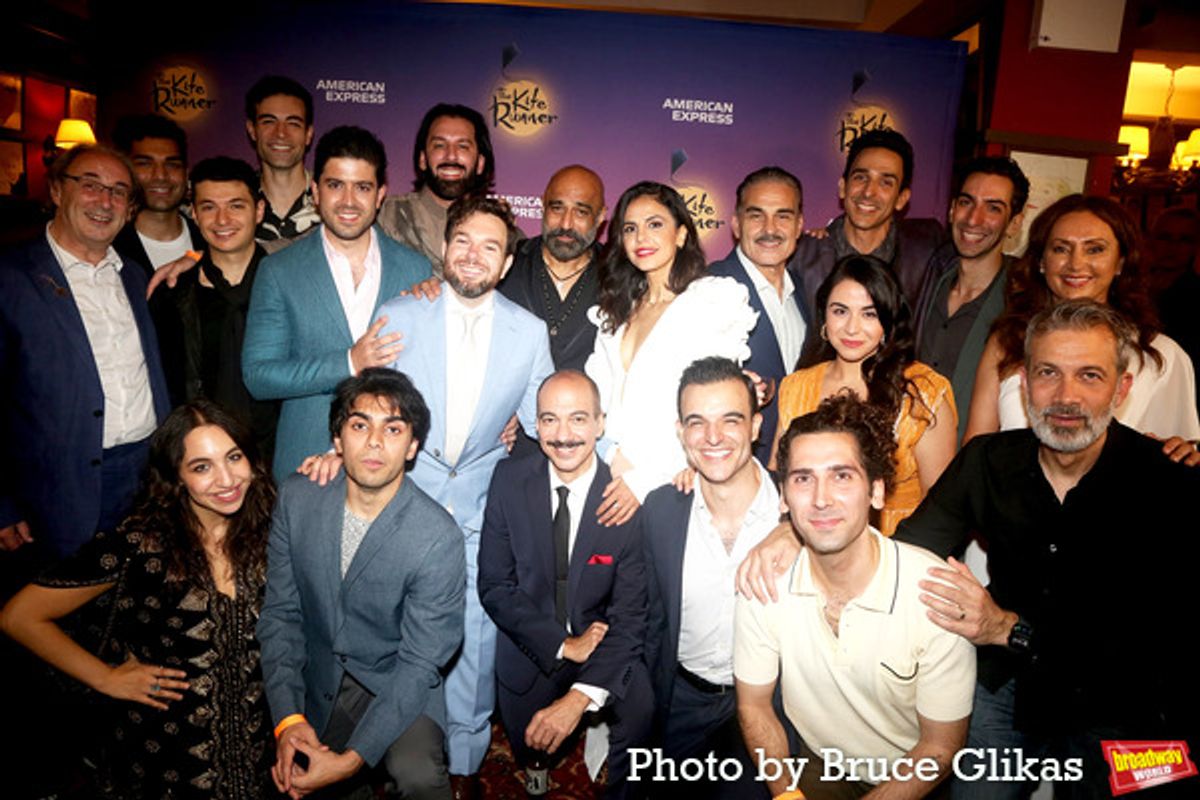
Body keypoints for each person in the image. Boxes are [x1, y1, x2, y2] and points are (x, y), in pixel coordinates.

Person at [739, 301, 1200, 798]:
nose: (1066, 396)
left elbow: (1159, 645)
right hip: (1007, 691)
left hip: (1123, 708)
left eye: (1089, 375)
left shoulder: (1167, 482)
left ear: (1121, 387)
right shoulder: (988, 462)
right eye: (1048, 373)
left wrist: (1009, 628)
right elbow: (900, 551)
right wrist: (806, 526)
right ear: (1025, 385)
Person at [0, 400, 277, 799]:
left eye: (234, 458)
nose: (226, 478)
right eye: (202, 467)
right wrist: (105, 677)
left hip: (256, 760)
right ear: (176, 477)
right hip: (164, 761)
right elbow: (19, 616)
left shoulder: (271, 532)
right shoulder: (140, 545)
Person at [374, 195, 553, 798]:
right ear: (445, 248)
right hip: (404, 502)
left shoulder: (529, 334)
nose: (474, 256)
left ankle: (467, 764)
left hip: (480, 505)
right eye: (464, 242)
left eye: (490, 247)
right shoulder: (399, 314)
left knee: (476, 639)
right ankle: (399, 745)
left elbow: (542, 417)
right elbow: (370, 406)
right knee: (399, 632)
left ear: (505, 264)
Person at [735, 394, 975, 800]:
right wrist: (786, 794)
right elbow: (754, 706)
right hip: (817, 763)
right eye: (803, 478)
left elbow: (940, 745)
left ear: (877, 492)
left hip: (911, 772)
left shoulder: (932, 593)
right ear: (783, 498)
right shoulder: (764, 582)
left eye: (842, 476)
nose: (822, 498)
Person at [258, 369, 465, 799]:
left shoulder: (437, 537)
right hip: (319, 669)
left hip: (396, 678)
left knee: (419, 775)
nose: (374, 442)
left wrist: (353, 758)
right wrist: (288, 720)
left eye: (392, 429)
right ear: (337, 440)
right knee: (296, 776)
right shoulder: (298, 499)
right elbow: (281, 615)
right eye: (359, 425)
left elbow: (419, 662)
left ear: (412, 448)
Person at [478, 370, 651, 798]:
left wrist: (578, 698)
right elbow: (495, 586)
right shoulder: (507, 481)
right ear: (535, 425)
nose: (564, 435)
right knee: (530, 741)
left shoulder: (625, 499)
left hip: (603, 644)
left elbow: (631, 615)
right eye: (550, 420)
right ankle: (536, 767)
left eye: (578, 419)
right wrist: (561, 644)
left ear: (600, 423)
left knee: (643, 706)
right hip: (530, 640)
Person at [0, 144, 170, 559]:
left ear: (130, 208)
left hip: (146, 477)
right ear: (57, 190)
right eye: (90, 186)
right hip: (56, 490)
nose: (105, 202)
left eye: (118, 191)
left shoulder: (132, 275)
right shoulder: (10, 277)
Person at [241, 125, 431, 481]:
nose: (348, 201)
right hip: (307, 465)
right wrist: (348, 362)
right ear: (315, 191)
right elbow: (259, 376)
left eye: (362, 187)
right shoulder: (279, 271)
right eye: (335, 185)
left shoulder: (415, 269)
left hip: (392, 472)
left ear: (380, 195)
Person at [964, 193, 1200, 454]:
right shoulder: (1009, 340)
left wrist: (1184, 453)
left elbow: (1176, 461)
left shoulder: (1162, 356)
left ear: (1120, 261)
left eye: (1095, 249)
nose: (1076, 264)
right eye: (1061, 249)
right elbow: (976, 449)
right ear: (1041, 261)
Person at [639, 357, 776, 799]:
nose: (713, 437)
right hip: (681, 699)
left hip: (774, 706)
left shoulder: (797, 514)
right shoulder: (660, 511)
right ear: (680, 433)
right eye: (697, 423)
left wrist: (793, 531)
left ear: (756, 426)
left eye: (730, 420)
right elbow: (642, 618)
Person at [585, 181, 757, 506]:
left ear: (680, 234)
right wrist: (611, 457)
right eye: (630, 228)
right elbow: (597, 401)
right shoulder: (615, 312)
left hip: (674, 484)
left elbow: (710, 408)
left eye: (655, 225)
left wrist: (644, 479)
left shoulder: (711, 303)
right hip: (607, 474)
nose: (641, 238)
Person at [770, 256, 956, 535]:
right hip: (811, 541)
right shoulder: (797, 387)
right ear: (824, 316)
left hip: (899, 547)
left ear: (888, 320)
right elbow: (781, 478)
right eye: (840, 311)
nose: (852, 328)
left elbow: (943, 509)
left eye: (869, 314)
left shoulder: (923, 392)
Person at [172, 156, 279, 465]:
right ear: (194, 213)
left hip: (281, 453)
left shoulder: (290, 285)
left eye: (236, 206)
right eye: (208, 207)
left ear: (258, 210)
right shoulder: (175, 294)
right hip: (204, 457)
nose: (222, 220)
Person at [913, 157, 1029, 439]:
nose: (974, 219)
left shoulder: (1023, 305)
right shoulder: (925, 280)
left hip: (965, 468)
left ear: (1014, 223)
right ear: (952, 210)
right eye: (966, 202)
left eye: (993, 208)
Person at [708, 166, 811, 463]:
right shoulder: (710, 290)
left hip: (797, 470)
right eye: (756, 215)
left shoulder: (803, 291)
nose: (770, 229)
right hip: (738, 470)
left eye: (783, 216)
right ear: (736, 224)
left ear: (799, 225)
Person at [793, 128, 945, 311]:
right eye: (861, 177)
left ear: (901, 199)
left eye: (885, 182)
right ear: (843, 187)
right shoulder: (802, 258)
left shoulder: (927, 253)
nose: (868, 192)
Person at [112, 112, 202, 404]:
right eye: (145, 164)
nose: (160, 176)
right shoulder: (108, 252)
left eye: (172, 165)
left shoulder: (211, 244)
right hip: (137, 418)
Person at [498, 164, 606, 373]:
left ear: (601, 216)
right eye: (557, 208)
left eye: (581, 212)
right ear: (542, 206)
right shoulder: (506, 263)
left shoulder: (620, 276)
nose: (566, 224)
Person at [378, 103, 494, 275]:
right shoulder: (384, 216)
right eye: (439, 145)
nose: (451, 155)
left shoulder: (500, 230)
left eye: (463, 146)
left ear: (481, 163)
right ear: (423, 159)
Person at [244, 75, 318, 247]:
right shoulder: (233, 202)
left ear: (308, 134)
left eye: (293, 123)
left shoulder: (332, 200)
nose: (281, 133)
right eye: (269, 122)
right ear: (252, 130)